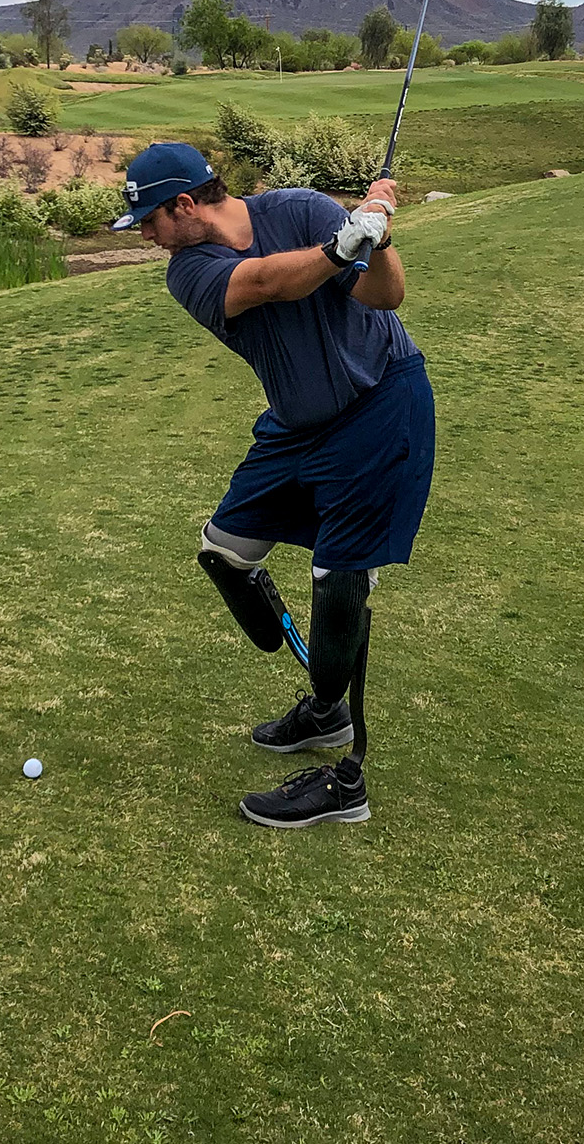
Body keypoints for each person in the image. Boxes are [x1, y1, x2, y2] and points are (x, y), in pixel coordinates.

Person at [113, 142, 434, 829]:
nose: (144, 235)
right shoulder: (189, 270)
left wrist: (376, 236)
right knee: (224, 549)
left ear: (185, 204)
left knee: (340, 575)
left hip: (379, 401)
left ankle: (346, 774)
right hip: (295, 422)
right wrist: (339, 246)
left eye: (148, 219)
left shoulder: (301, 210)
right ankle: (324, 708)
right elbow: (263, 284)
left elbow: (387, 294)